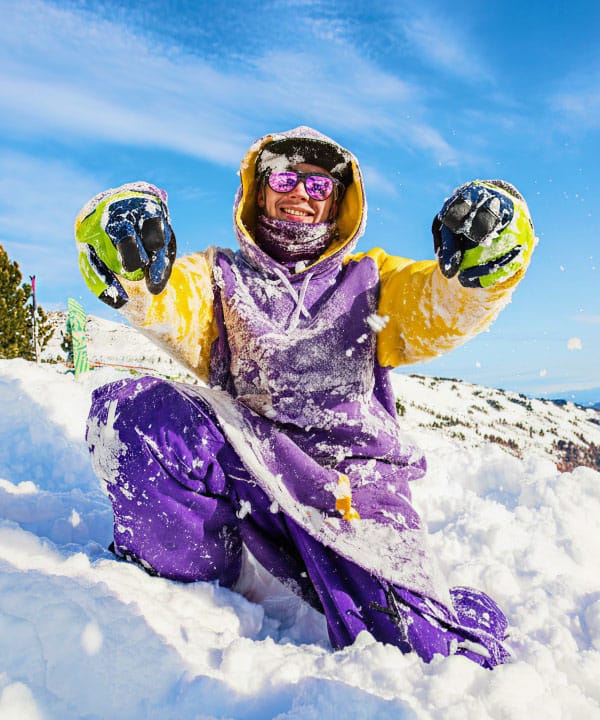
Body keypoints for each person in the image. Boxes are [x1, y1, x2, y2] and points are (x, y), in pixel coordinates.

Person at [75, 126, 535, 668]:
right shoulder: (221, 279)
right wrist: (125, 252)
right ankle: (198, 590)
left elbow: (440, 301)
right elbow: (166, 295)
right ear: (259, 190)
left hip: (352, 489)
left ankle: (441, 606)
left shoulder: (372, 282)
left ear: (337, 205)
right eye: (285, 178)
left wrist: (491, 254)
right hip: (251, 460)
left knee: (428, 656)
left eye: (318, 186)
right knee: (134, 418)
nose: (300, 193)